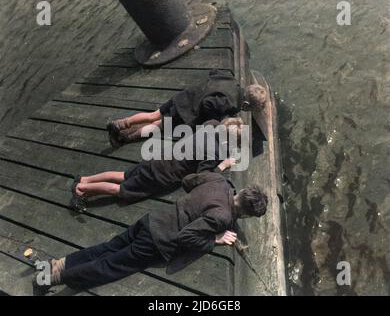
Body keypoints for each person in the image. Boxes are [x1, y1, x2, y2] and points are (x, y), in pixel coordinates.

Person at [33, 171, 268, 294]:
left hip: (151, 220)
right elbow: (186, 237)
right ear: (246, 214)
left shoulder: (221, 182)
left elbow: (188, 181)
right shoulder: (222, 217)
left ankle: (58, 264)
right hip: (156, 241)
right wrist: (214, 239)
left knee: (108, 248)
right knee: (109, 267)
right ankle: (49, 278)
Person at [70, 117, 244, 212]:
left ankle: (85, 179)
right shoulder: (212, 153)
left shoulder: (210, 124)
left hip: (159, 158)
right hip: (163, 174)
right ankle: (81, 190)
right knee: (122, 190)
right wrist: (223, 165)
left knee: (123, 175)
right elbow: (204, 175)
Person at [106, 69, 265, 147]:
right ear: (245, 105)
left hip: (184, 96)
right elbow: (207, 104)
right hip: (185, 111)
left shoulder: (231, 80)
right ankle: (126, 138)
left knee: (153, 115)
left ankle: (120, 124)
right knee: (158, 126)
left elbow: (213, 73)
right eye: (248, 110)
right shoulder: (230, 103)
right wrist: (216, 118)